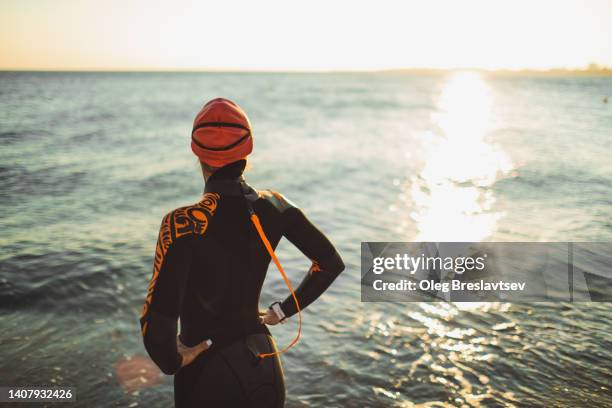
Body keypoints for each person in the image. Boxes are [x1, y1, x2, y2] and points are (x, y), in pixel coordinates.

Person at [139, 98, 345, 407]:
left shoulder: (183, 224)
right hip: (265, 365)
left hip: (209, 376)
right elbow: (330, 263)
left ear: (197, 152)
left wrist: (173, 362)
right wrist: (282, 310)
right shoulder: (276, 205)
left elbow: (157, 328)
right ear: (246, 151)